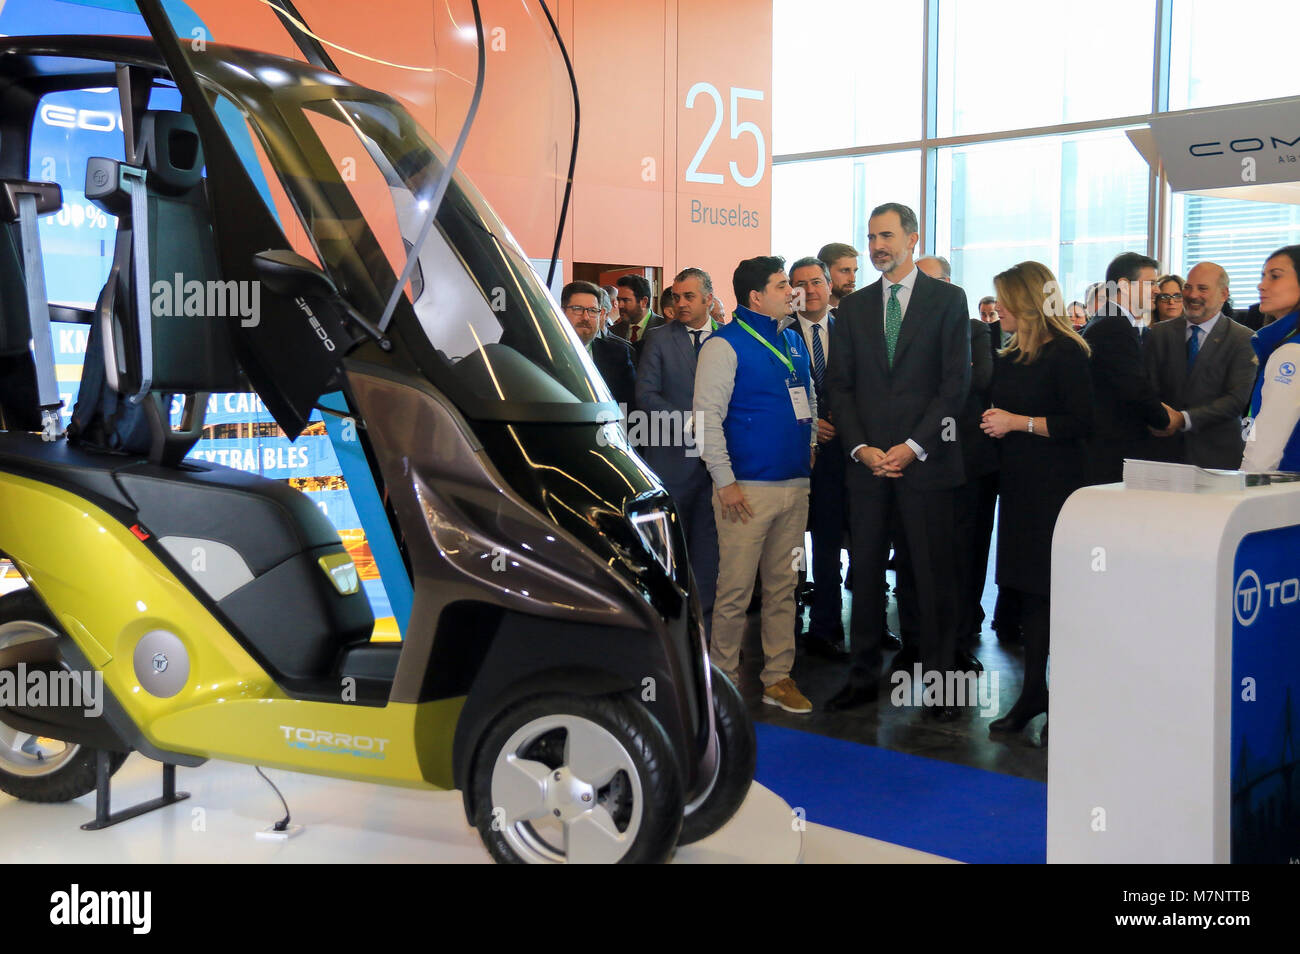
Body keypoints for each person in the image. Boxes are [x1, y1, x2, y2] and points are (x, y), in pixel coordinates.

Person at [824, 202, 971, 718]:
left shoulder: (949, 301)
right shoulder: (855, 309)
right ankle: (862, 677)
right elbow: (839, 387)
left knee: (928, 578)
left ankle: (938, 685)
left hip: (925, 465)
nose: (877, 246)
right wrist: (862, 448)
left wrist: (912, 447)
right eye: (870, 238)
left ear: (913, 238)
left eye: (886, 235)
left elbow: (955, 387)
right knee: (864, 575)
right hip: (867, 467)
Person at [695, 255, 818, 713]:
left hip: (795, 486)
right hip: (744, 490)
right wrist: (724, 482)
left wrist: (809, 443)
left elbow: (809, 396)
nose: (792, 291)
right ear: (756, 297)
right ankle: (722, 680)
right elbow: (706, 419)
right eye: (782, 285)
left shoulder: (792, 339)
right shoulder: (723, 346)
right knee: (735, 591)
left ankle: (778, 677)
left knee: (783, 587)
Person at [980, 261, 1093, 737]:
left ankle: (1067, 698)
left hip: (1058, 491)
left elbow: (1081, 424)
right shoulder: (1008, 355)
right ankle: (1032, 694)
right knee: (1028, 592)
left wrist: (1016, 422)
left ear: (1025, 303)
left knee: (1057, 594)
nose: (996, 308)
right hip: (1020, 489)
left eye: (1003, 300)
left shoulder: (1068, 353)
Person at [636, 267, 720, 635]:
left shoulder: (728, 339)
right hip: (673, 458)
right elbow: (646, 396)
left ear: (708, 298)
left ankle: (708, 623)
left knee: (712, 545)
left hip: (722, 465)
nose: (681, 303)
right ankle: (668, 621)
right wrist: (691, 424)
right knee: (671, 546)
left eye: (689, 296)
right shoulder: (658, 339)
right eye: (676, 296)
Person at [918, 254, 991, 672]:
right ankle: (928, 643)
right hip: (925, 459)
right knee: (929, 557)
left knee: (970, 554)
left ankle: (963, 637)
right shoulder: (911, 336)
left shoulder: (976, 329)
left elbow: (976, 381)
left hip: (972, 463)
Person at [789, 256, 848, 660]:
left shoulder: (851, 330)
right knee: (789, 550)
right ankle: (787, 629)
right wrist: (810, 426)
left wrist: (841, 424)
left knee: (829, 545)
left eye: (815, 282)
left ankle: (827, 628)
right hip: (792, 455)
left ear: (829, 285)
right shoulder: (777, 332)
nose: (809, 291)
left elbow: (868, 385)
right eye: (799, 284)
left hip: (844, 455)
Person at [1144, 262, 1257, 470]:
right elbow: (1148, 387)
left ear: (1224, 294)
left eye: (1202, 288)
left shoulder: (1244, 339)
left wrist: (1183, 419)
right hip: (1163, 454)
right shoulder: (1158, 334)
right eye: (1188, 287)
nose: (1192, 295)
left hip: (1218, 458)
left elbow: (1236, 401)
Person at [1080, 251, 1176, 484]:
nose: (1157, 290)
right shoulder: (1114, 326)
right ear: (1123, 285)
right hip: (1113, 451)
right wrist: (1164, 419)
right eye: (1150, 283)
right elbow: (1133, 386)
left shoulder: (1111, 322)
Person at [1242, 245, 1300, 472]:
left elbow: (1265, 448)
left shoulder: (1292, 352)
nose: (1262, 285)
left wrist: (1242, 493)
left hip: (1285, 491)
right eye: (1263, 276)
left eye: (1275, 276)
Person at [561, 280, 636, 408]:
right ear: (562, 312)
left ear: (601, 314)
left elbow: (630, 406)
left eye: (592, 310)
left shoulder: (617, 355)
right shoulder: (545, 353)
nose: (585, 317)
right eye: (578, 309)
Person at [610, 274, 665, 350]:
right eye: (619, 300)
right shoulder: (612, 332)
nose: (620, 305)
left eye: (625, 300)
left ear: (644, 302)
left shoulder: (664, 329)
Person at [817, 242, 859, 312]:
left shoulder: (863, 310)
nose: (853, 279)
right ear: (825, 272)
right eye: (845, 270)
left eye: (854, 271)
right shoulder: (801, 310)